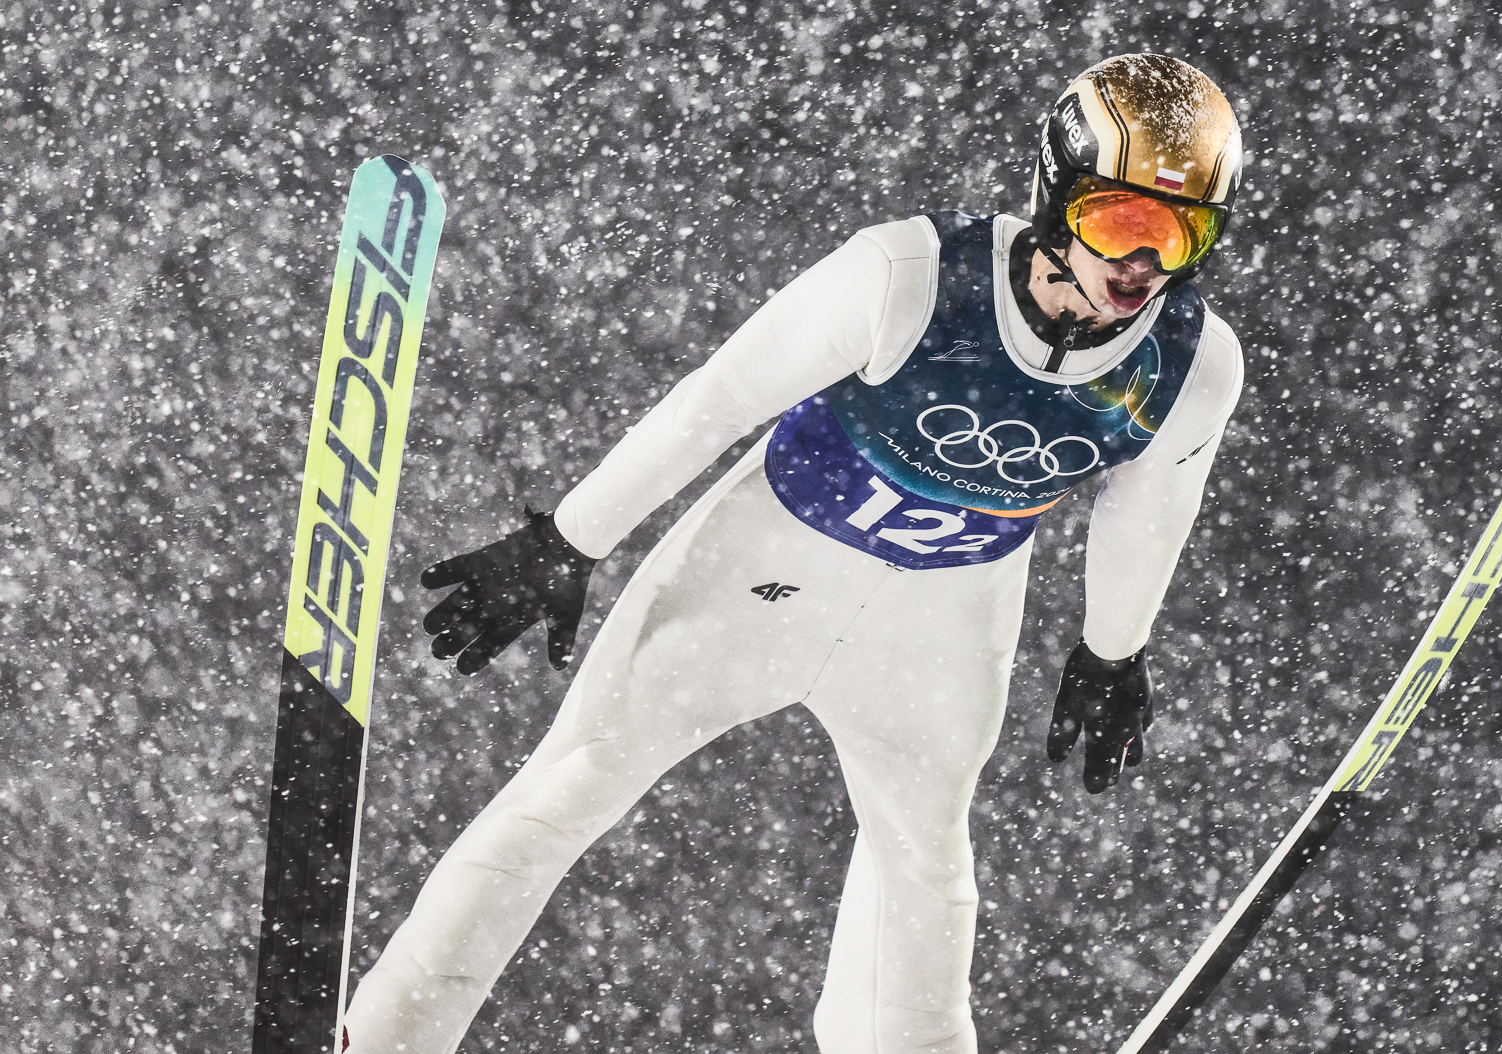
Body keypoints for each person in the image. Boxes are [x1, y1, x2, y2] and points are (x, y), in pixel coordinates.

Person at [342, 53, 1247, 1054]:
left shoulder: (1190, 365)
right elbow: (715, 402)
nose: (1142, 264)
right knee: (568, 791)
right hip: (760, 574)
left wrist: (1113, 651)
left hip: (941, 628)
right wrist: (569, 537)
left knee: (925, 878)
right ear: (1054, 191)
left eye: (1180, 234)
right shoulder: (907, 276)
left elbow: (1148, 514)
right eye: (1118, 220)